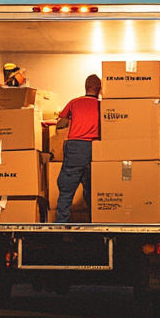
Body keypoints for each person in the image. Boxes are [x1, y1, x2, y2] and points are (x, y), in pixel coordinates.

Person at [53, 74, 101, 224]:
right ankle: (97, 222)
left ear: (86, 87)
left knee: (67, 188)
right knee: (93, 188)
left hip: (75, 146)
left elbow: (61, 123)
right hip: (94, 147)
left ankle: (61, 224)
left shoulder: (75, 102)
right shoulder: (102, 106)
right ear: (100, 90)